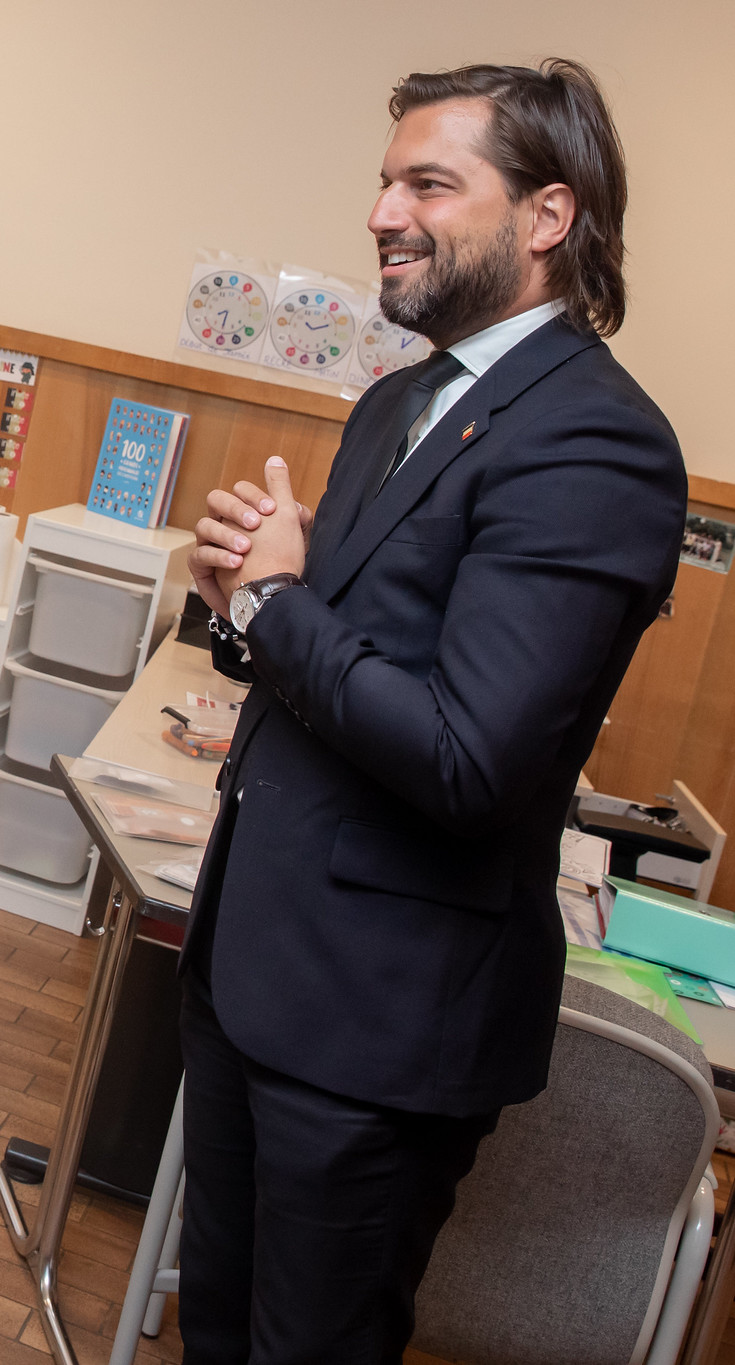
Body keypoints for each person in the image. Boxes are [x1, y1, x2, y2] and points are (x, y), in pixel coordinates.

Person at [178, 60, 686, 1362]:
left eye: (424, 183)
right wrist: (242, 605)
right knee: (217, 1328)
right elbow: (335, 656)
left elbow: (467, 756)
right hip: (257, 974)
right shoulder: (398, 402)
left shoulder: (592, 443)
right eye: (383, 180)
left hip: (374, 1028)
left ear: (543, 217)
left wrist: (280, 606)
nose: (378, 212)